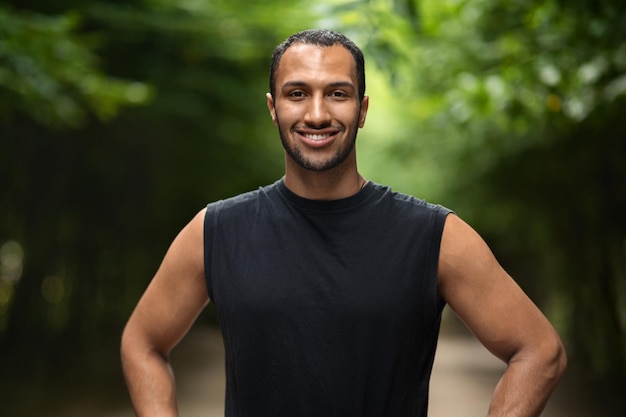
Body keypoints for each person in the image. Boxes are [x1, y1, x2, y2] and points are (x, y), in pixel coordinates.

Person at [120, 29, 567, 417]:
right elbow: (142, 343)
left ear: (363, 108)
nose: (317, 114)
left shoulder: (433, 236)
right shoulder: (215, 232)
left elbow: (540, 352)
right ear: (274, 108)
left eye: (337, 93)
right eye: (298, 94)